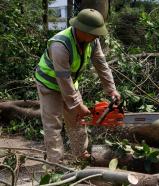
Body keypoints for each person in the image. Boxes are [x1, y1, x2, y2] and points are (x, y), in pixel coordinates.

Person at [34, 9, 121, 163]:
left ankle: (80, 154)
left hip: (69, 84)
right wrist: (77, 104)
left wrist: (111, 89)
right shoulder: (60, 44)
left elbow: (101, 64)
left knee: (78, 120)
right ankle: (56, 163)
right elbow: (63, 78)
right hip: (48, 84)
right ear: (81, 29)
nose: (97, 35)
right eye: (94, 32)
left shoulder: (92, 41)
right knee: (53, 124)